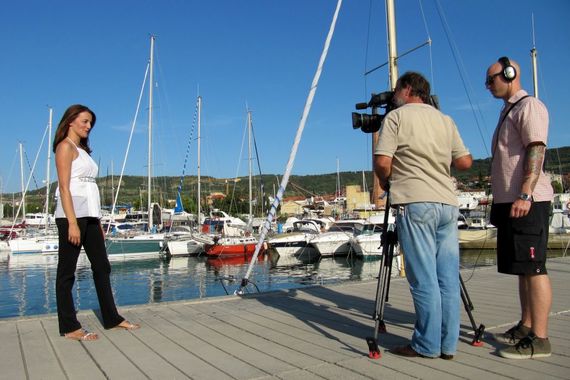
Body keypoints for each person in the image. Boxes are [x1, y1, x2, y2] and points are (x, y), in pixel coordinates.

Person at [374, 71, 472, 359]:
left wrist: (387, 181)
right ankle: (448, 344)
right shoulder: (445, 120)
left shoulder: (396, 118)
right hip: (447, 203)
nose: (393, 95)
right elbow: (464, 161)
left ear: (407, 89)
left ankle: (426, 344)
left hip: (415, 201)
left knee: (423, 278)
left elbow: (382, 162)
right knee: (447, 278)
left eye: (396, 90)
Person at [54, 104, 140, 341]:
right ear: (70, 121)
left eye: (90, 123)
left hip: (91, 217)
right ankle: (69, 326)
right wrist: (72, 222)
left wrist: (98, 222)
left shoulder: (82, 150)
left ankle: (111, 318)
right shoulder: (65, 147)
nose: (88, 126)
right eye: (84, 121)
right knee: (67, 272)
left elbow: (89, 189)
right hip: (72, 216)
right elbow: (64, 187)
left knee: (102, 266)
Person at [486, 57, 553, 359]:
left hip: (528, 202)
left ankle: (540, 338)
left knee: (535, 268)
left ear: (509, 75)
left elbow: (536, 147)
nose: (489, 86)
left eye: (492, 80)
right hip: (511, 203)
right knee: (523, 270)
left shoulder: (529, 107)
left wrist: (525, 193)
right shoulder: (509, 110)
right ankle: (526, 326)